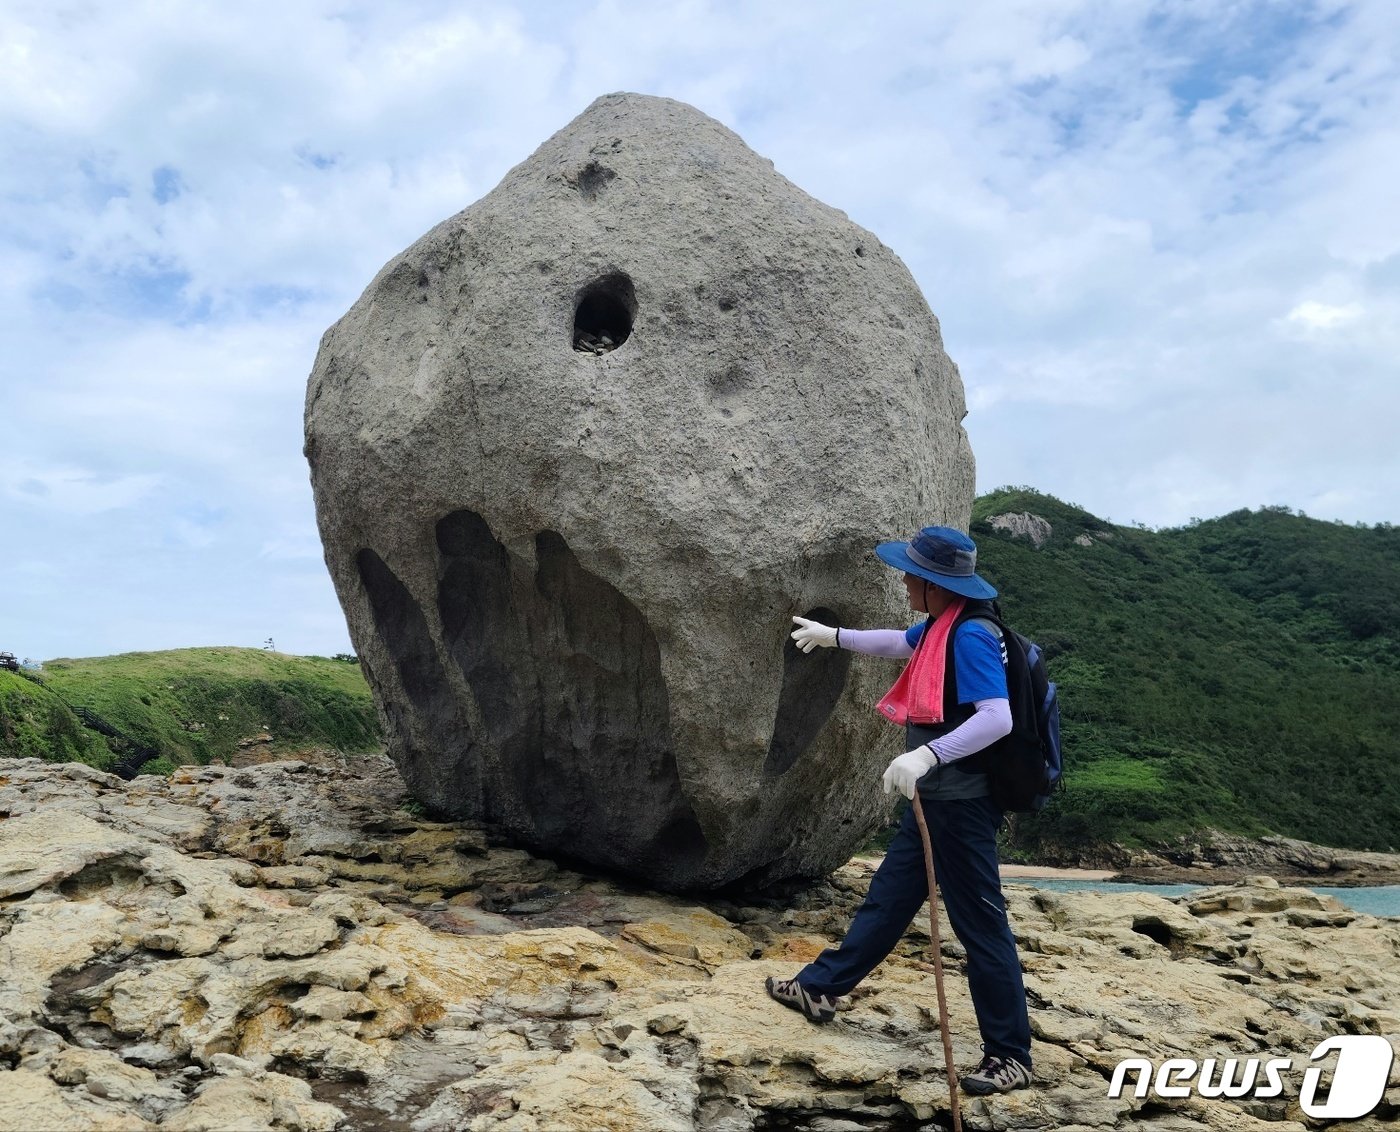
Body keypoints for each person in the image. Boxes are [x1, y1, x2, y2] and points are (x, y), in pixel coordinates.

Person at [764, 525, 1033, 1096]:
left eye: (913, 574)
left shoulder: (971, 636)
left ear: (937, 584)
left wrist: (927, 756)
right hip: (934, 802)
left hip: (961, 807)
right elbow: (897, 642)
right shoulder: (942, 625)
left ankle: (1010, 1056)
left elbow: (997, 717)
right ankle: (824, 987)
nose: (906, 581)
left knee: (981, 926)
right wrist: (834, 636)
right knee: (887, 900)